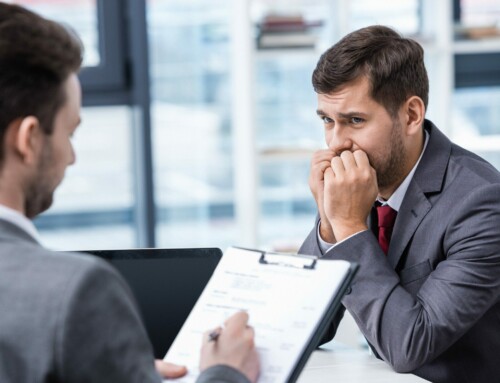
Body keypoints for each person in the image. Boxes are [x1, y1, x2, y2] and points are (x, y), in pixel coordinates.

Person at [0, 4, 259, 383]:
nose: (71, 157)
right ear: (29, 139)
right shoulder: (73, 292)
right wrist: (225, 373)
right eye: (69, 134)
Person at [299, 25, 500, 383]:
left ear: (410, 115)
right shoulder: (363, 184)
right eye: (327, 120)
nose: (336, 143)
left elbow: (409, 345)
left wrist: (346, 227)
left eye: (355, 121)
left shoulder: (482, 203)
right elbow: (302, 330)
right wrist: (329, 227)